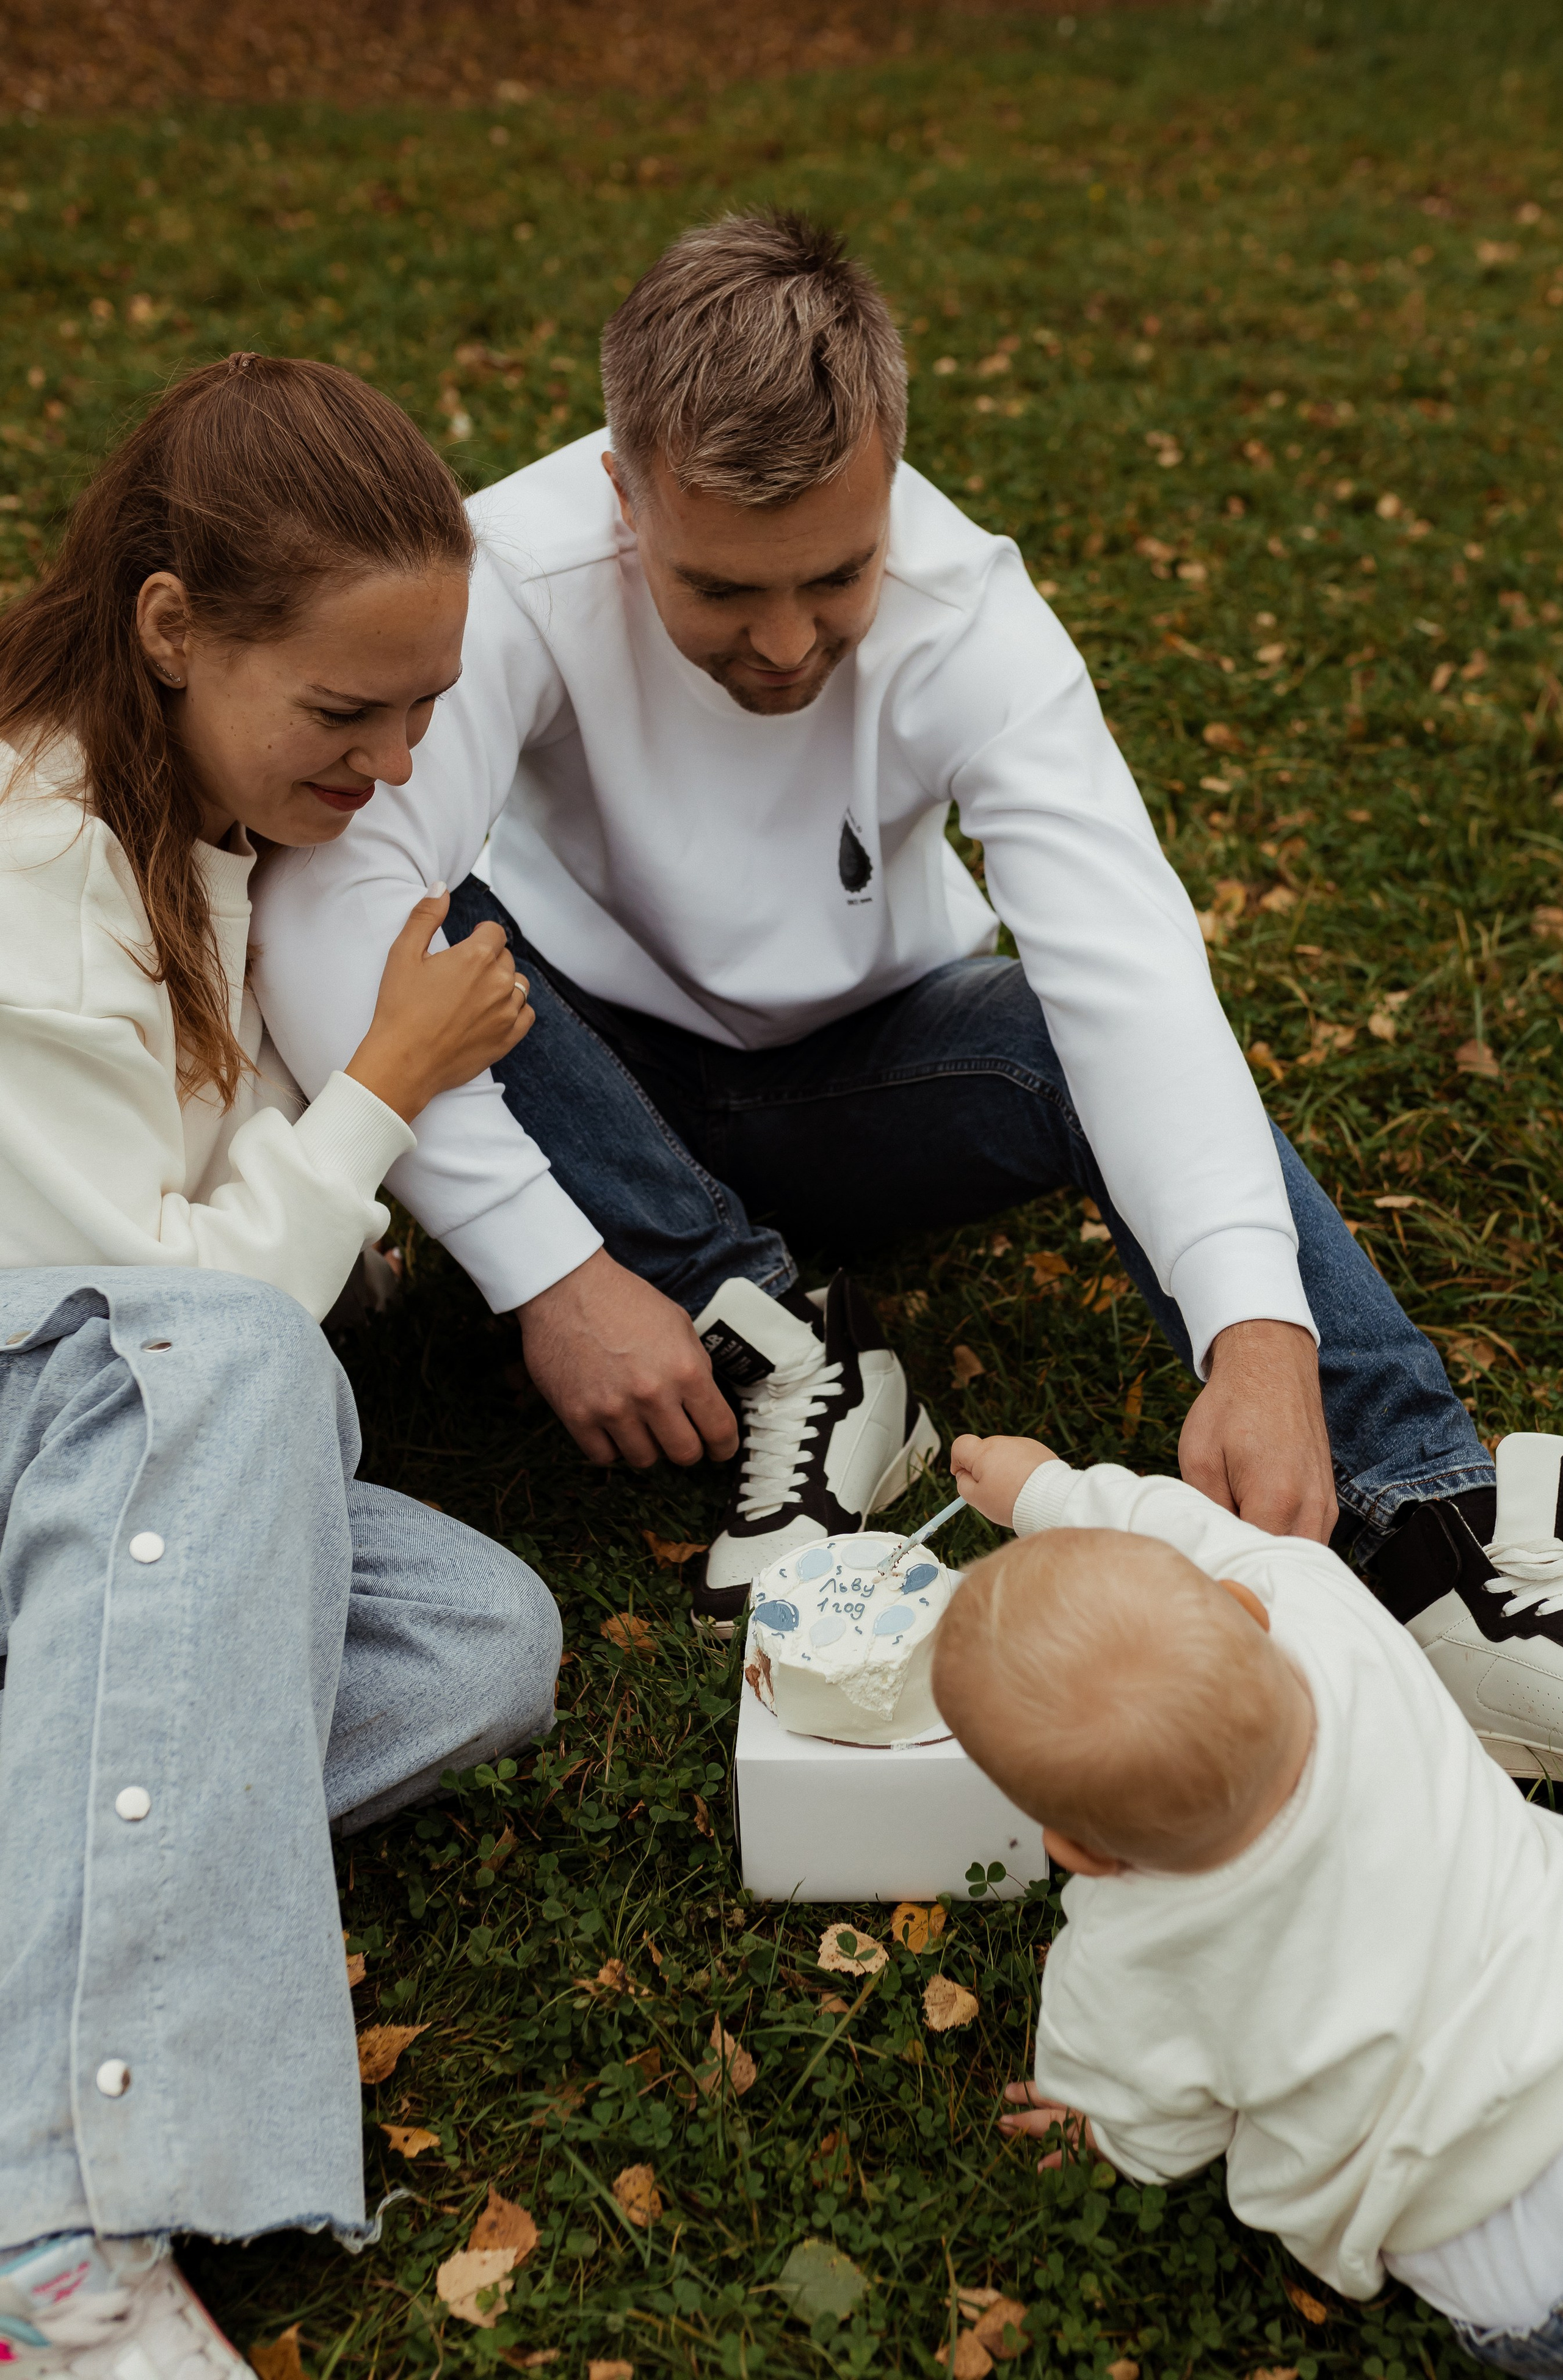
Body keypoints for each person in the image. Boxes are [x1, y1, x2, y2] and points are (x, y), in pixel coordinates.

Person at [250, 208, 1494, 1638]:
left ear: (889, 485)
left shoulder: (967, 613)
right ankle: (789, 1347)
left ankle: (1420, 1511)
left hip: (862, 1083)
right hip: (578, 1085)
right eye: (721, 587)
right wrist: (547, 1268)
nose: (785, 643)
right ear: (621, 495)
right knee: (423, 916)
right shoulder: (509, 572)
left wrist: (1256, 1331)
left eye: (834, 576)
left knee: (1058, 1024)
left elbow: (1128, 968)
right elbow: (322, 899)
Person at [0, 356, 560, 2379]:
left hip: (82, 1471)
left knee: (481, 1636)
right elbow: (159, 1326)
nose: (396, 765)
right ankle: (50, 2231)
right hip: (57, 1404)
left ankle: (50, 1859)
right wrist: (385, 1084)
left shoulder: (207, 829)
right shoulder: (42, 874)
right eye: (347, 712)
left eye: (426, 711)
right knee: (237, 1363)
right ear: (172, 628)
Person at [934, 1425, 1563, 2376]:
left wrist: (1098, 2127)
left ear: (1079, 1853)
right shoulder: (1321, 1607)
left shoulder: (1122, 1956)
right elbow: (1184, 1526)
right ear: (1243, 1605)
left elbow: (1154, 2124)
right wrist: (1044, 1491)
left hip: (1503, 2252)